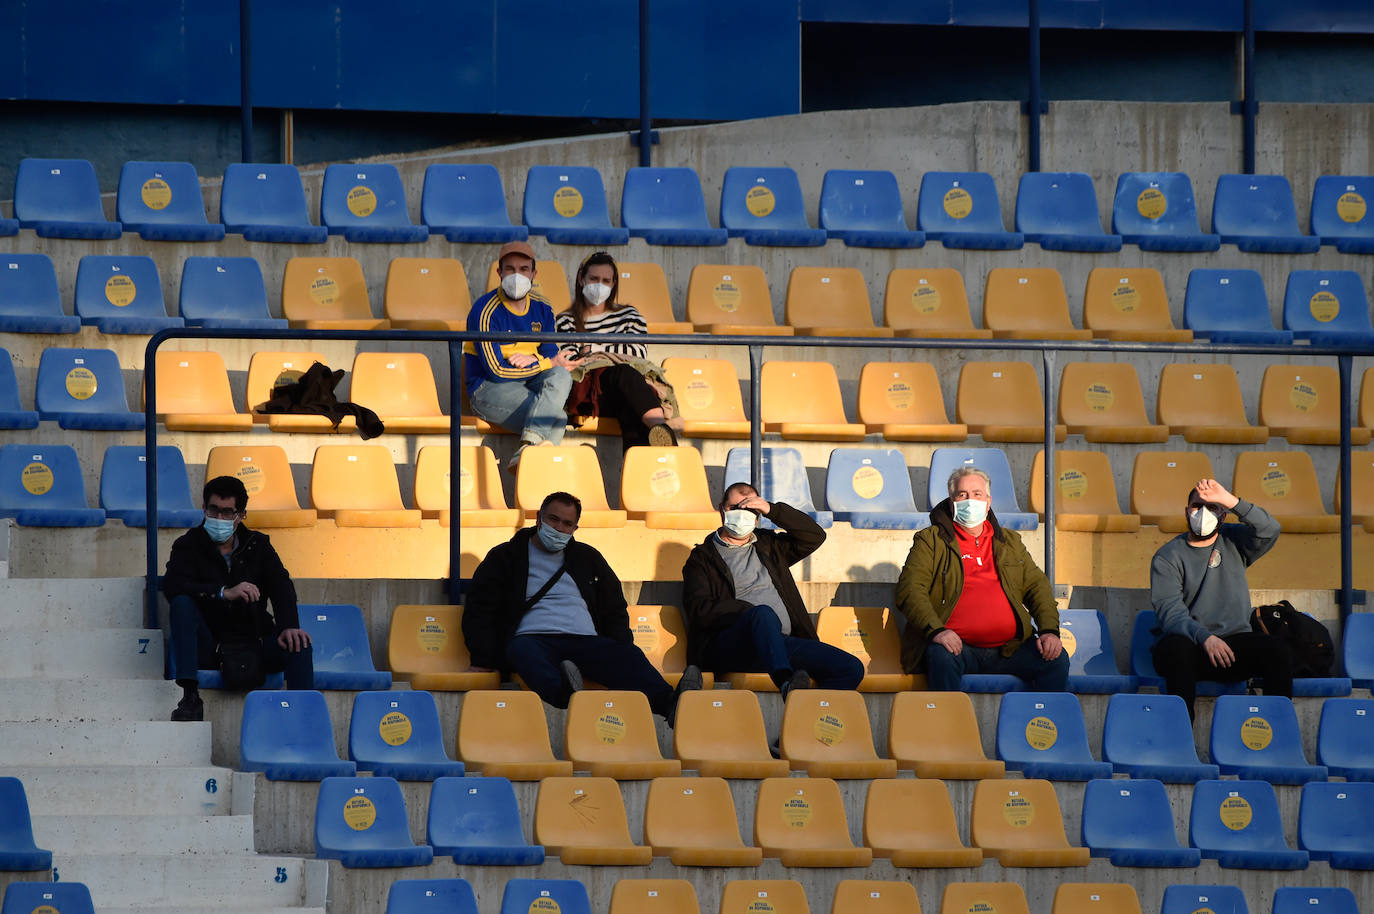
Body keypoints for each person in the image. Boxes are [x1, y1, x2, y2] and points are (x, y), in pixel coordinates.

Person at [462, 491, 701, 719]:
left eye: (567, 524)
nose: (558, 528)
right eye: (553, 519)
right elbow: (481, 608)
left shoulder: (588, 558)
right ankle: (565, 694)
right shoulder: (505, 556)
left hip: (585, 640)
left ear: (575, 528)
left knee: (628, 654)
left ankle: (673, 705)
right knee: (520, 651)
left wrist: (619, 647)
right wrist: (482, 659)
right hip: (533, 638)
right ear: (538, 518)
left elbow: (613, 606)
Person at [681, 482, 864, 696]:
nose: (742, 514)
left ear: (758, 514)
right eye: (734, 508)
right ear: (722, 509)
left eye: (749, 509)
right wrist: (747, 612)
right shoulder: (702, 558)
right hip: (733, 646)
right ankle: (785, 681)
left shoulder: (769, 545)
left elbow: (813, 536)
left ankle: (803, 716)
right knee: (763, 613)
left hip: (781, 643)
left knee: (851, 669)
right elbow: (699, 610)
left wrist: (772, 509)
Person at [895, 466, 1067, 691]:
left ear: (988, 502)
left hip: (1011, 649)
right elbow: (910, 589)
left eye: (977, 494)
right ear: (951, 502)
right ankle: (946, 724)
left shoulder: (1010, 542)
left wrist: (1049, 631)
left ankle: (1041, 722)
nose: (970, 500)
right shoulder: (931, 541)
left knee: (1056, 660)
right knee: (941, 657)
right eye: (962, 495)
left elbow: (1037, 587)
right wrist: (937, 631)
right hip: (956, 647)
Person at [162, 476, 313, 722]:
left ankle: (303, 720)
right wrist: (223, 592)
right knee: (181, 603)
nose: (218, 518)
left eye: (227, 512)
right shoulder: (188, 544)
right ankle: (190, 697)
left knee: (299, 643)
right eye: (213, 510)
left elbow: (281, 585)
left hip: (253, 639)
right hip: (210, 642)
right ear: (203, 509)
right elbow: (173, 585)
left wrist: (288, 627)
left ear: (240, 515)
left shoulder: (258, 545)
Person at [1149, 478, 1288, 718]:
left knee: (1276, 649)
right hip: (1192, 647)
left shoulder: (1235, 540)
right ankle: (1179, 739)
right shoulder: (1167, 556)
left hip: (1233, 648)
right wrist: (1205, 637)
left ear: (1223, 515)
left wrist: (1232, 501)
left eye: (1212, 507)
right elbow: (1170, 614)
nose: (1203, 513)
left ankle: (1277, 733)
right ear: (1186, 511)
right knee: (1176, 648)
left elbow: (1270, 529)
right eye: (1196, 506)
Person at [464, 240, 578, 470]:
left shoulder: (543, 307)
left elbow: (551, 357)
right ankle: (534, 466)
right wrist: (543, 362)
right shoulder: (484, 310)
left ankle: (528, 448)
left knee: (562, 376)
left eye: (524, 269)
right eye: (510, 269)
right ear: (499, 272)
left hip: (528, 384)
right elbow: (497, 372)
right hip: (487, 389)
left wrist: (536, 360)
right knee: (557, 419)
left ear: (534, 273)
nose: (517, 275)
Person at [555, 251, 682, 450]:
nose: (599, 285)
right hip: (590, 394)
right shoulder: (565, 320)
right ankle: (661, 428)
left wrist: (592, 349)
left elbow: (638, 352)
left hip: (625, 391)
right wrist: (611, 353)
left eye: (606, 280)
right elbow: (570, 360)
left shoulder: (630, 316)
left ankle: (637, 469)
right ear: (581, 279)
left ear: (614, 284)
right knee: (623, 373)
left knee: (629, 404)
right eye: (594, 279)